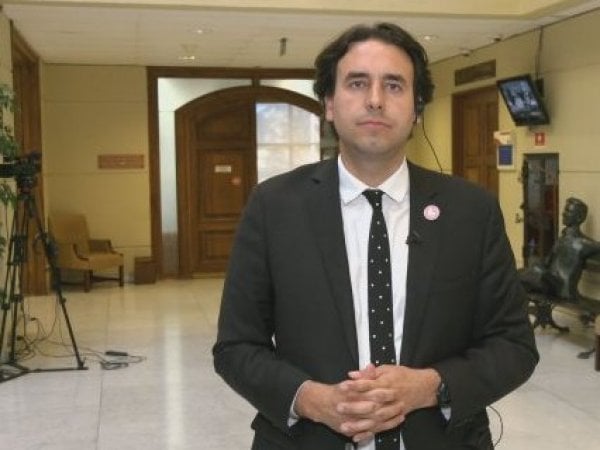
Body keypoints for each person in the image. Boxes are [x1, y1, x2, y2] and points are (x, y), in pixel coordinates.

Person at [213, 23, 538, 450]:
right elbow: (236, 347)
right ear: (329, 103)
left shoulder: (471, 211)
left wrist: (431, 386)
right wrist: (311, 400)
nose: (375, 99)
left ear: (417, 108)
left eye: (394, 85)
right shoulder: (274, 206)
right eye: (357, 83)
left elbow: (514, 345)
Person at [520, 197, 600, 301]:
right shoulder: (561, 240)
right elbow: (547, 263)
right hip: (551, 283)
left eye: (568, 211)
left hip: (562, 288)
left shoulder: (584, 244)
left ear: (579, 218)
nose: (563, 214)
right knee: (523, 273)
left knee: (530, 273)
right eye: (565, 210)